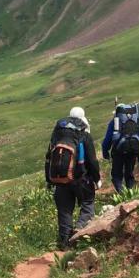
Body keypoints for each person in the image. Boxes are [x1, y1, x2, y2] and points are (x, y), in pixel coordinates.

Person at [44, 106, 100, 249]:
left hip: (60, 180)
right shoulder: (84, 134)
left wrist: (49, 180)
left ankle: (64, 243)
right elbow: (92, 161)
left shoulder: (57, 135)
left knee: (64, 211)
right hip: (81, 179)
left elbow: (49, 158)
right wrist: (96, 179)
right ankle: (81, 229)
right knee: (87, 202)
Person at [101, 102, 139, 193]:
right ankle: (131, 192)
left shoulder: (114, 122)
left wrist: (105, 153)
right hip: (133, 149)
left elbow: (107, 140)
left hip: (118, 151)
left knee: (116, 175)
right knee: (129, 173)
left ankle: (121, 194)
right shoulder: (135, 121)